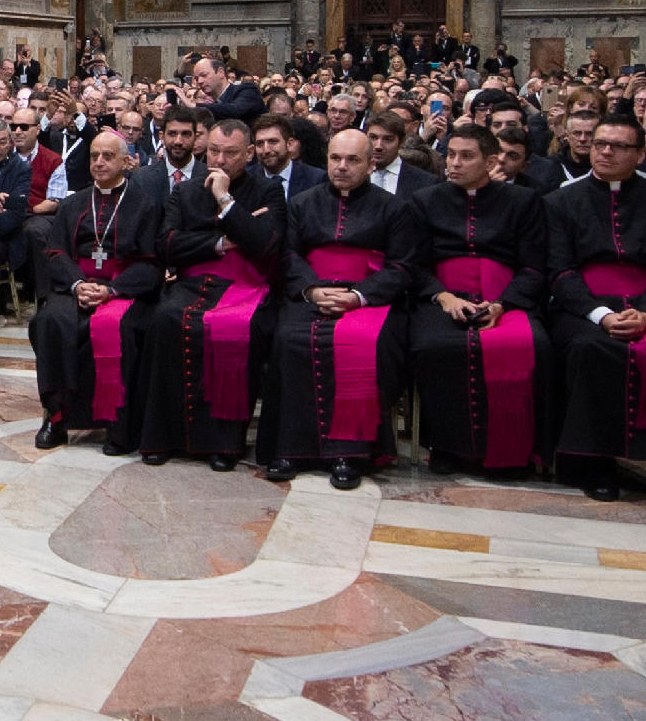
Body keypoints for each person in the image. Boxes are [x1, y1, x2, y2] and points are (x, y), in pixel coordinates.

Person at [542, 114, 646, 502]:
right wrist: (602, 315)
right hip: (586, 306)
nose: (606, 152)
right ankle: (595, 465)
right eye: (600, 144)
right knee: (589, 348)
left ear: (641, 154)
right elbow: (560, 270)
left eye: (618, 146)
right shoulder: (560, 201)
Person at [114, 115, 287, 468]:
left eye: (230, 153)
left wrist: (225, 200)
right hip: (193, 282)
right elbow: (167, 244)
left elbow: (266, 244)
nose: (220, 160)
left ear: (249, 154)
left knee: (237, 328)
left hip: (246, 286)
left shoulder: (268, 190)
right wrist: (222, 241)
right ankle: (163, 437)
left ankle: (222, 444)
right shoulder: (186, 191)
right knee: (165, 320)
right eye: (214, 152)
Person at [392, 123, 550, 475]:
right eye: (451, 155)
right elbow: (413, 263)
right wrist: (443, 296)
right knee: (435, 346)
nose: (454, 163)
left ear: (490, 162)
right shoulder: (425, 200)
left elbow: (534, 267)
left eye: (466, 156)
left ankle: (511, 450)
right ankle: (446, 447)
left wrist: (502, 304)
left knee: (532, 344)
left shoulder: (523, 201)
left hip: (505, 297)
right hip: (441, 296)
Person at [265, 128, 409, 488]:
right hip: (312, 291)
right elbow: (290, 255)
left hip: (366, 299)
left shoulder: (394, 207)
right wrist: (313, 290)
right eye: (335, 158)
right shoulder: (302, 202)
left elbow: (402, 267)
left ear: (371, 164)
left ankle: (351, 452)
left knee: (363, 345)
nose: (342, 166)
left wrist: (357, 296)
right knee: (289, 339)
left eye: (352, 160)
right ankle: (291, 449)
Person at [28, 128, 160, 448]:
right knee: (49, 321)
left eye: (107, 156)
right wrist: (77, 284)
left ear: (126, 162)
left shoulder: (144, 204)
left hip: (122, 290)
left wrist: (111, 290)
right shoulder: (73, 203)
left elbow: (151, 263)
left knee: (117, 328)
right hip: (77, 285)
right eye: (94, 156)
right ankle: (56, 417)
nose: (99, 162)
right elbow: (55, 252)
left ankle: (116, 423)